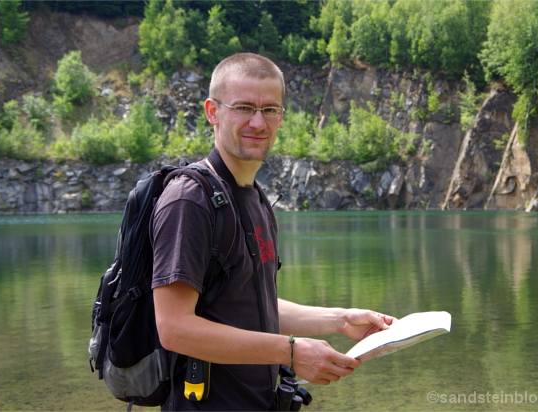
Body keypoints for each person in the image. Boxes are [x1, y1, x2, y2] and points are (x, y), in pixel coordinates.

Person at [151, 53, 396, 411]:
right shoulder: (190, 200)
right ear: (212, 112)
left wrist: (340, 320)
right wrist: (292, 352)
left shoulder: (254, 198)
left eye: (270, 110)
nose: (257, 122)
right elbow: (174, 328)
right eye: (244, 107)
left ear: (281, 116)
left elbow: (249, 306)